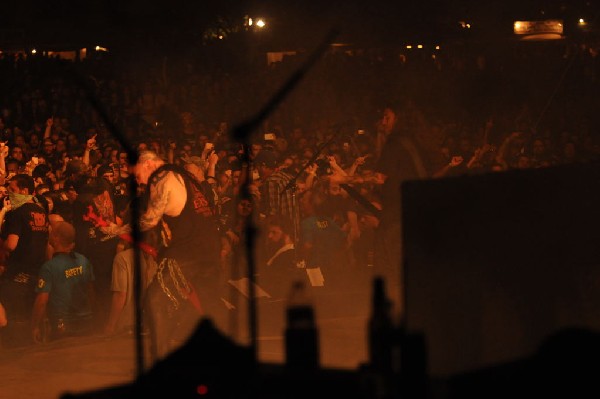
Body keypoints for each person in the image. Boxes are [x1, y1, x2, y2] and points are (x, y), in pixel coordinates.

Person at [133, 150, 223, 360]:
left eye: (138, 175)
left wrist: (118, 228)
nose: (139, 182)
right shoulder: (188, 180)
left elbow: (150, 220)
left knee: (155, 300)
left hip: (189, 253)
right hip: (207, 249)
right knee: (204, 302)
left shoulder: (163, 180)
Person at [0, 174, 49, 347]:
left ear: (24, 190)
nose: (9, 193)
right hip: (37, 269)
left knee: (9, 309)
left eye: (12, 190)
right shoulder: (41, 210)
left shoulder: (17, 213)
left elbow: (12, 245)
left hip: (18, 270)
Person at [31, 221, 95, 343]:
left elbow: (42, 301)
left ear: (56, 237)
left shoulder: (49, 268)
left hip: (62, 327)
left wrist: (34, 327)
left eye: (52, 231)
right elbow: (90, 291)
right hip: (86, 323)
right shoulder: (83, 260)